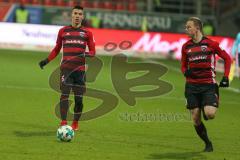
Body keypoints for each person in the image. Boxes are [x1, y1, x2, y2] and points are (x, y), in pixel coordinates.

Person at [38, 6, 96, 131]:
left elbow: (93, 52)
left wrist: (85, 54)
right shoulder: (63, 31)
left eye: (80, 14)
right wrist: (46, 60)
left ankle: (75, 122)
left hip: (79, 72)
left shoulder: (87, 33)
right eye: (75, 13)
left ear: (82, 17)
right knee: (64, 95)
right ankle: (63, 122)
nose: (77, 16)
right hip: (66, 70)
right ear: (71, 15)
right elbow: (56, 49)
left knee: (79, 100)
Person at [181, 17, 231, 152]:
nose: (186, 29)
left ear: (197, 28)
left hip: (208, 85)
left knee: (210, 114)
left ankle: (206, 106)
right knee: (196, 118)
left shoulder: (211, 44)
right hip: (191, 86)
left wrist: (226, 77)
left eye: (189, 27)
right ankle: (208, 143)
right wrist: (186, 72)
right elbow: (183, 66)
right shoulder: (186, 47)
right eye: (186, 27)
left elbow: (227, 58)